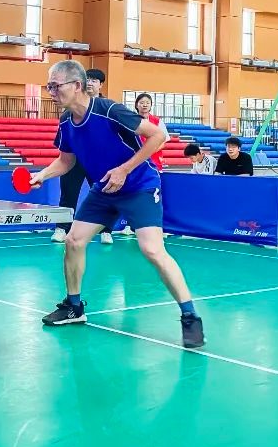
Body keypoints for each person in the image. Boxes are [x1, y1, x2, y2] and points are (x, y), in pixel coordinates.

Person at [28, 60, 204, 348]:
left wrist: (124, 169)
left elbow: (158, 136)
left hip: (139, 186)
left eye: (55, 86)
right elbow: (66, 161)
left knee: (152, 249)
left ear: (76, 85)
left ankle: (190, 316)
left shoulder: (109, 110)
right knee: (73, 241)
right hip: (105, 188)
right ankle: (73, 307)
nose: (51, 92)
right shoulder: (65, 121)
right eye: (49, 86)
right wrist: (42, 175)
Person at [52, 68, 114, 245]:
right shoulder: (71, 109)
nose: (90, 83)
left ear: (101, 85)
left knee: (104, 194)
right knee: (68, 194)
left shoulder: (108, 108)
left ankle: (106, 230)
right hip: (74, 159)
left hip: (99, 162)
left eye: (94, 80)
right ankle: (62, 228)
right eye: (88, 80)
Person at [134, 93, 168, 171]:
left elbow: (163, 142)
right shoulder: (131, 121)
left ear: (150, 105)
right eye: (142, 103)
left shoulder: (158, 121)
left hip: (154, 160)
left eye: (147, 103)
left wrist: (148, 152)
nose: (145, 105)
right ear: (136, 105)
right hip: (135, 159)